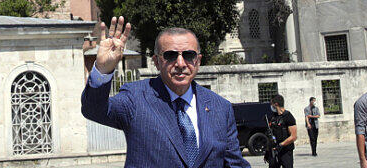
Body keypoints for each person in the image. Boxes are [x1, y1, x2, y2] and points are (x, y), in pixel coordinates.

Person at [81, 17, 250, 168]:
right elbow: (94, 110)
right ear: (156, 61)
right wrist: (103, 69)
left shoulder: (220, 108)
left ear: (198, 61)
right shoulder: (136, 98)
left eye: (189, 55)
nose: (180, 63)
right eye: (170, 55)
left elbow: (234, 163)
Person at [267, 95, 297, 168]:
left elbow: (293, 137)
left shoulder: (288, 117)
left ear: (276, 104)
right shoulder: (273, 117)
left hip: (285, 151)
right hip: (274, 150)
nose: (271, 106)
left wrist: (281, 145)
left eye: (272, 104)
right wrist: (268, 151)